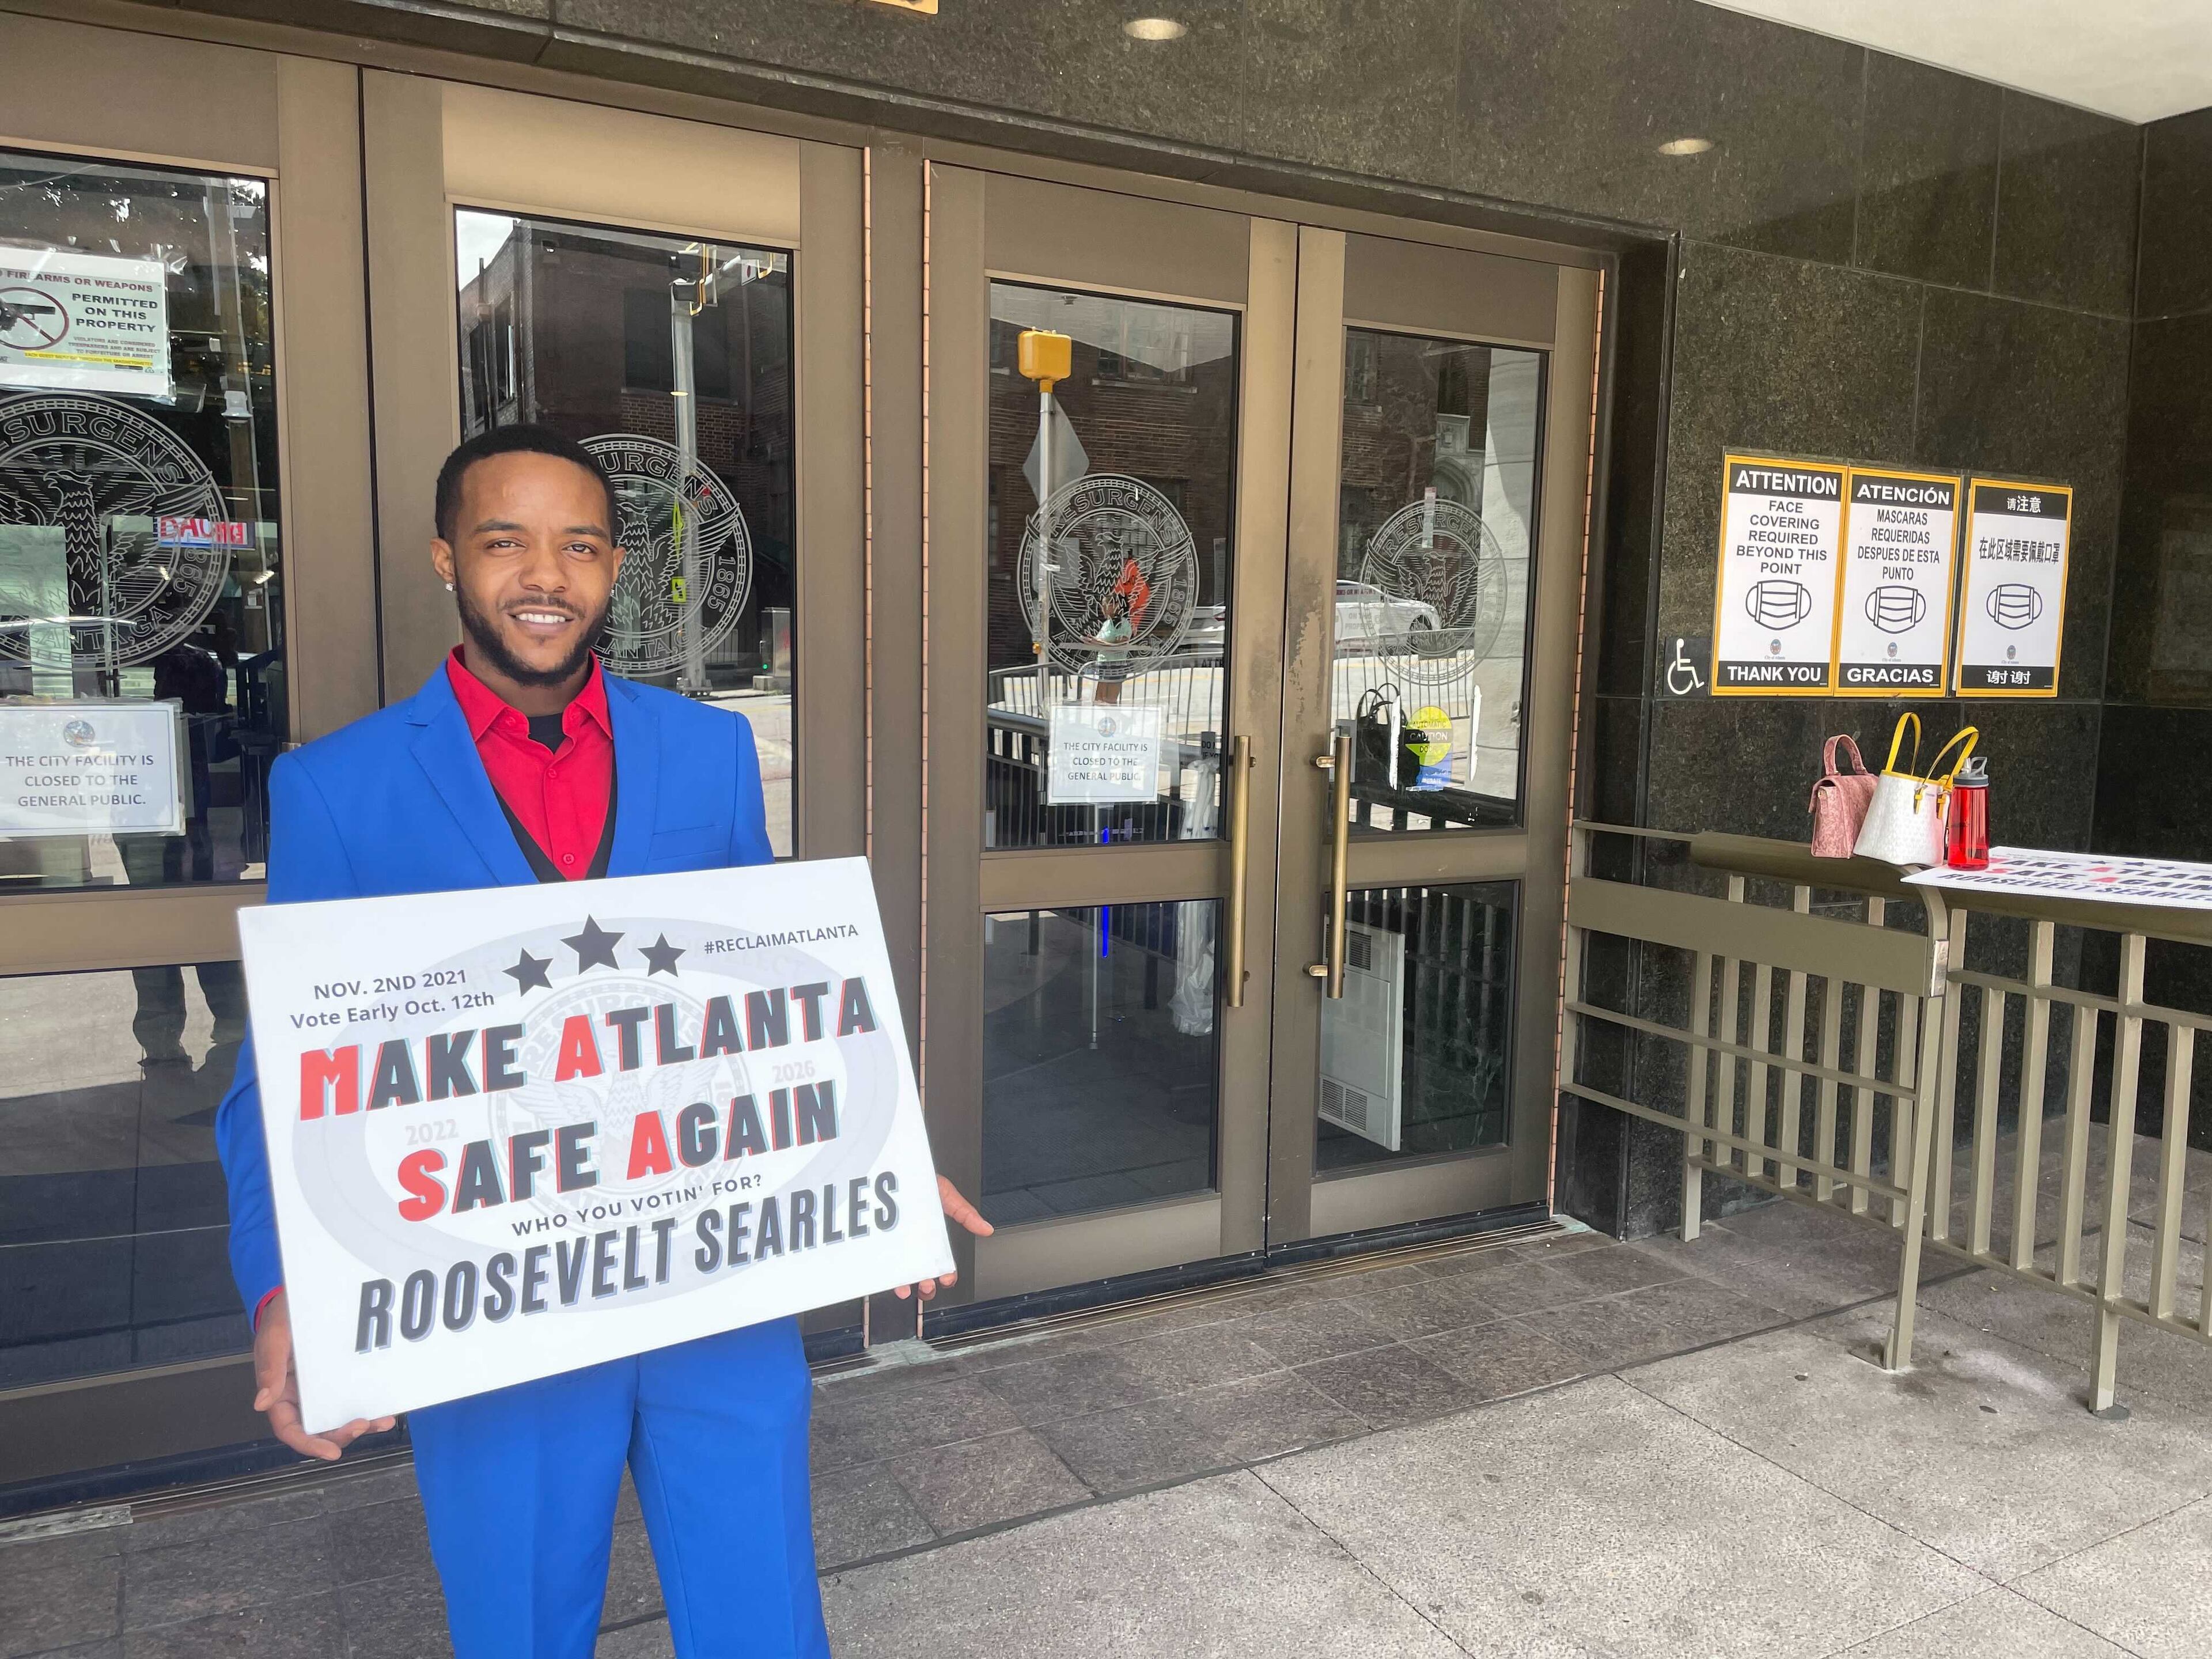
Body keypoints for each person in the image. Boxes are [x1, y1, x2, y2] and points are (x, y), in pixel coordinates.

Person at [214, 425, 991, 1659]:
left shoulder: (708, 751)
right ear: (444, 558)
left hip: (714, 1285)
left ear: (614, 567)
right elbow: (282, 1076)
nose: (544, 575)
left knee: (765, 1619)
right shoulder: (339, 791)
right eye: (504, 541)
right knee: (519, 1626)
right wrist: (283, 1283)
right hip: (491, 1298)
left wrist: (878, 1157)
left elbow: (774, 995)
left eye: (578, 545)